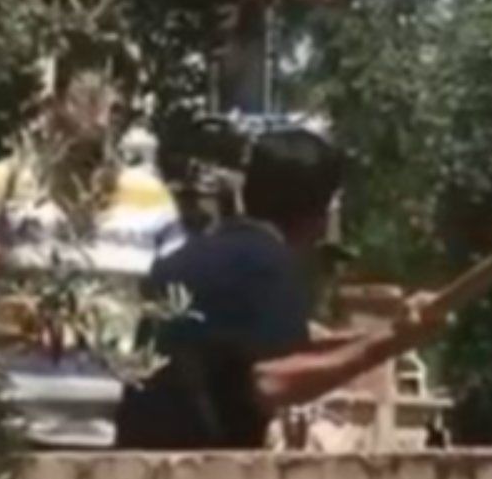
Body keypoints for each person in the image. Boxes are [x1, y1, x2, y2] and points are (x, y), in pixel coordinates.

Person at [115, 128, 445, 449]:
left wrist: (392, 332)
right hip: (201, 474)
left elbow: (257, 354)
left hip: (136, 464)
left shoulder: (182, 260)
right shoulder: (270, 264)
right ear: (323, 214)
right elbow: (270, 380)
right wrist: (393, 342)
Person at [0, 60, 185, 448]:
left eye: (116, 106)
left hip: (119, 440)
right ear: (53, 104)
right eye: (90, 99)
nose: (103, 118)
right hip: (13, 437)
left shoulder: (152, 199)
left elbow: (172, 308)